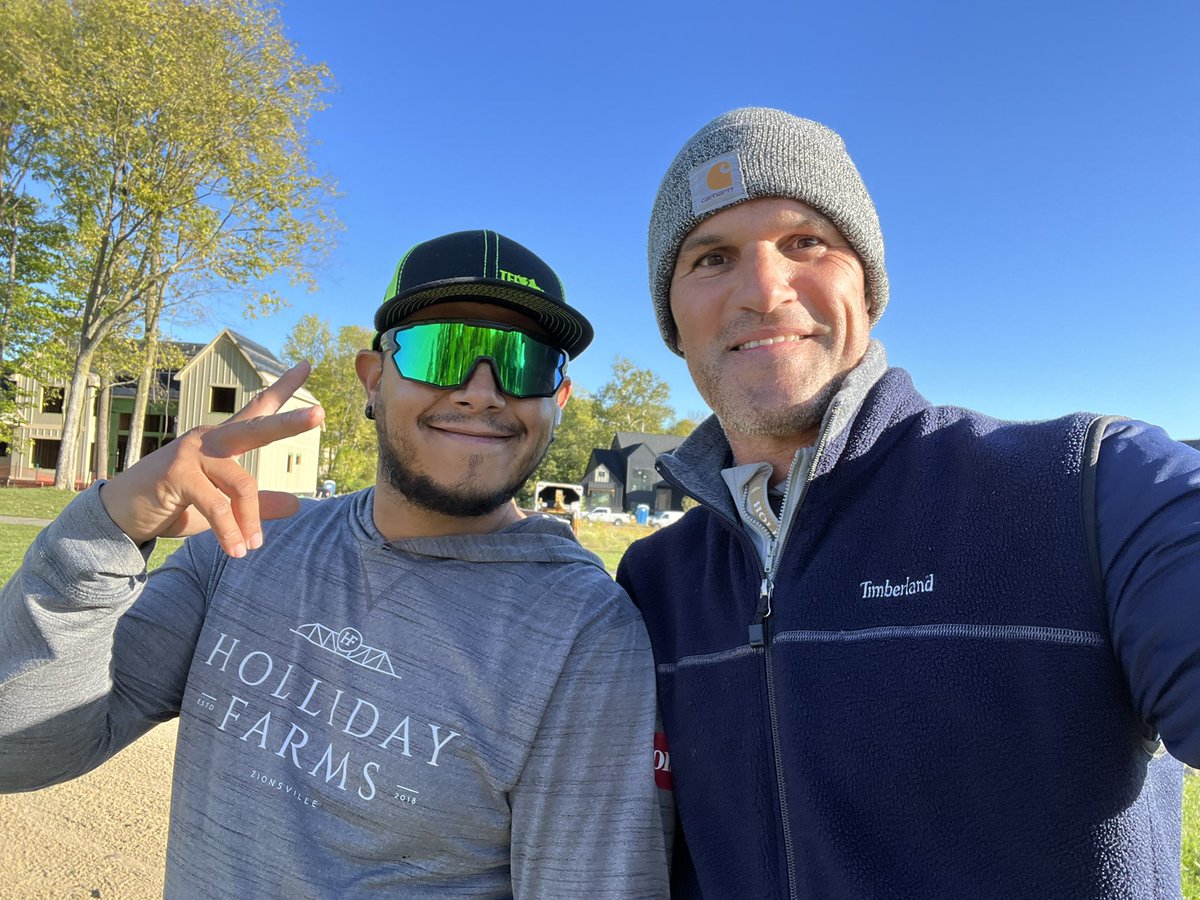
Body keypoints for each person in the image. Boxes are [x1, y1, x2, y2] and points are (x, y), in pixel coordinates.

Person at [616, 107, 1200, 898]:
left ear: (869, 284)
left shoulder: (1093, 488)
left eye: (806, 242)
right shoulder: (651, 587)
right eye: (712, 257)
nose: (762, 289)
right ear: (673, 324)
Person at [0, 229, 668, 898]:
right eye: (444, 350)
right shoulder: (243, 547)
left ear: (559, 399)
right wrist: (108, 527)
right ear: (374, 380)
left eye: (524, 364)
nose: (482, 391)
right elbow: (20, 747)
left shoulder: (583, 634)